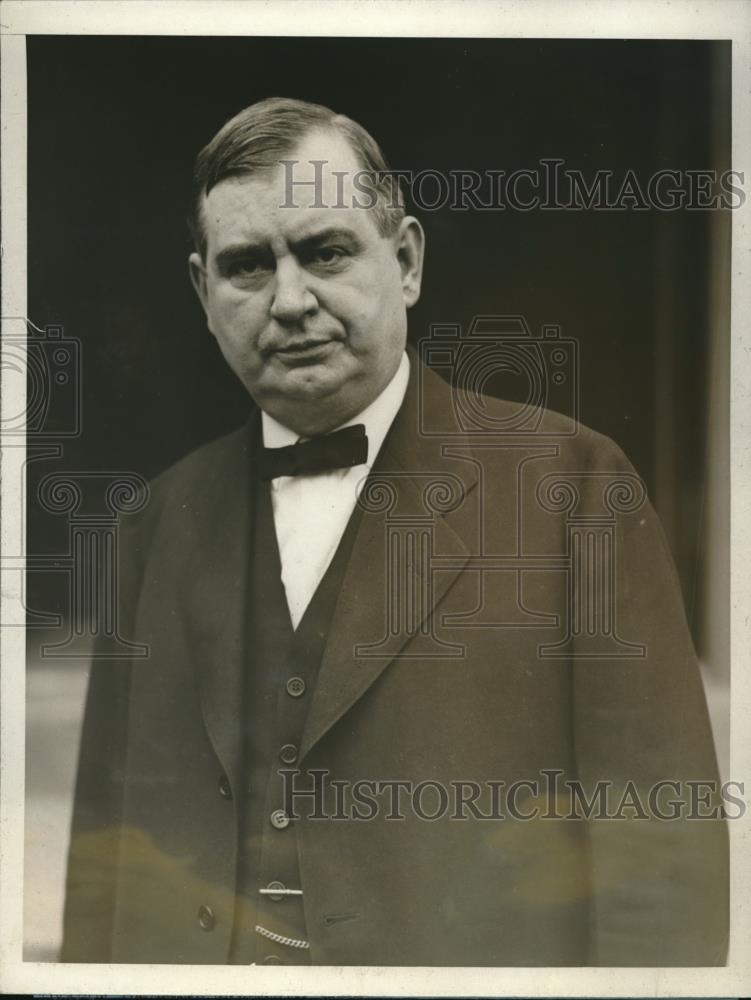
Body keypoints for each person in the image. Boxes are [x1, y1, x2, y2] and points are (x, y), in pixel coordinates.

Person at [60, 97, 728, 967]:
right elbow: (103, 874)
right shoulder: (152, 523)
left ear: (405, 261)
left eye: (325, 252)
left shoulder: (572, 490)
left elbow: (657, 865)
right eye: (247, 266)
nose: (289, 301)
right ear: (203, 293)